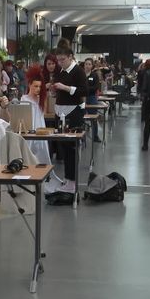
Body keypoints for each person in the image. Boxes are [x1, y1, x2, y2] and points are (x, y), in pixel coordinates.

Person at [21, 65, 63, 193]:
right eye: (35, 86)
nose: (38, 89)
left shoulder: (40, 99)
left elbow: (42, 114)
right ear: (29, 85)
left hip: (40, 128)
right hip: (29, 130)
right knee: (29, 154)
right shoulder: (24, 100)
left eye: (40, 86)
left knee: (42, 153)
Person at [52, 45, 87, 192]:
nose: (60, 63)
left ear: (71, 56)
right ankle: (67, 178)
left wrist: (65, 88)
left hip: (74, 112)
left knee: (71, 148)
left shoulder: (78, 71)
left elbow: (84, 90)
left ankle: (72, 181)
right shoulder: (59, 70)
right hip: (60, 111)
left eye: (63, 59)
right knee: (63, 148)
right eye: (58, 60)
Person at [83, 57, 102, 142]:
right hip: (82, 97)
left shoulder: (94, 75)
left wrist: (86, 89)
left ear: (92, 66)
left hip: (92, 98)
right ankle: (81, 137)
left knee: (93, 118)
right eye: (86, 64)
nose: (87, 66)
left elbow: (95, 87)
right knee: (81, 117)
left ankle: (95, 136)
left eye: (89, 64)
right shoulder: (81, 74)